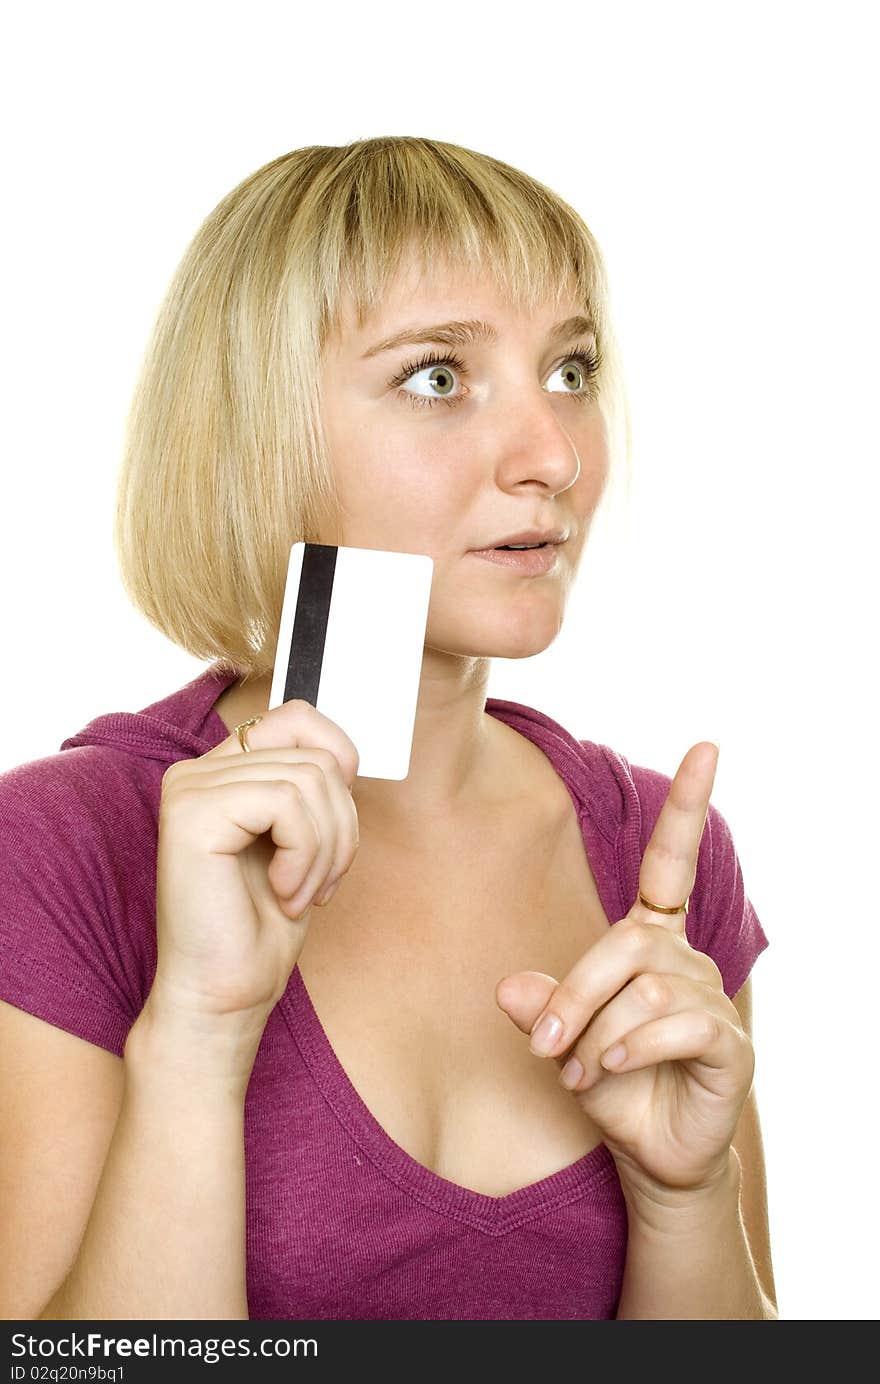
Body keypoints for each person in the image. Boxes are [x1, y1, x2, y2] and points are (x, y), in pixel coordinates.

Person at [0, 136, 776, 1321]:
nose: (555, 456)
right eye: (437, 377)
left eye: (570, 368)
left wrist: (685, 1195)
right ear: (259, 432)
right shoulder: (64, 846)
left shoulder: (659, 856)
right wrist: (201, 1042)